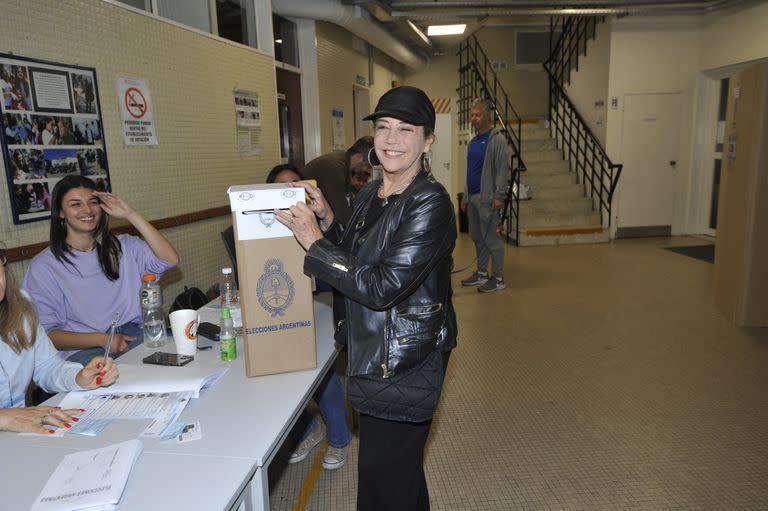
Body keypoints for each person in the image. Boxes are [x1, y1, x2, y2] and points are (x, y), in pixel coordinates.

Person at [277, 86, 457, 511]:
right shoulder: (371, 193)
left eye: (406, 129)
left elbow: (381, 286)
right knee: (399, 474)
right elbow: (359, 258)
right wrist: (328, 221)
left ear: (427, 140)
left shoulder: (429, 203)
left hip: (404, 360)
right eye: (383, 127)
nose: (392, 139)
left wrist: (314, 242)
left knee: (382, 482)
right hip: (373, 352)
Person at [23, 175, 179, 365]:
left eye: (92, 202)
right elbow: (48, 335)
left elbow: (170, 259)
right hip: (82, 349)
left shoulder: (123, 246)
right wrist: (103, 339)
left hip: (134, 334)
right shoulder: (43, 266)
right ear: (61, 213)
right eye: (75, 204)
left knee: (177, 364)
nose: (87, 210)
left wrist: (131, 214)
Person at [261, 163, 353, 470]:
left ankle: (339, 438)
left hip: (322, 301)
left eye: (294, 185)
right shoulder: (261, 229)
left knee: (319, 366)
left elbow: (339, 272)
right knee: (284, 368)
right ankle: (309, 429)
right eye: (280, 187)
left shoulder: (319, 224)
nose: (289, 192)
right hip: (287, 307)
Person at [0, 247, 118, 433]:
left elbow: (48, 367)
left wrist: (79, 377)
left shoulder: (20, 310)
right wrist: (3, 417)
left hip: (20, 437)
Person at [459, 97, 509, 293]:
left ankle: (497, 278)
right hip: (472, 197)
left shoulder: (496, 140)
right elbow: (469, 170)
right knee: (477, 237)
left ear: (487, 116)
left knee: (492, 240)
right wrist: (465, 195)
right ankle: (481, 273)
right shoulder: (473, 142)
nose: (474, 118)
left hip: (488, 199)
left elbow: (502, 170)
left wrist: (499, 196)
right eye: (472, 115)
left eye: (478, 115)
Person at [301, 136, 374, 227]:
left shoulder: (342, 164)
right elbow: (341, 213)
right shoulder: (334, 167)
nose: (369, 170)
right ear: (359, 157)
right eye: (368, 166)